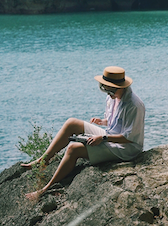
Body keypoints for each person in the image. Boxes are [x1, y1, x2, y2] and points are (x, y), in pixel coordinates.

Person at [22, 66, 145, 200]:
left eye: (109, 89)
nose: (107, 92)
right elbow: (116, 123)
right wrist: (103, 122)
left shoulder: (133, 105)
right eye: (104, 88)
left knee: (73, 148)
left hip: (126, 149)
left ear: (120, 87)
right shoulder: (112, 98)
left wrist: (102, 138)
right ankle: (43, 161)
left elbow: (130, 137)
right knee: (71, 123)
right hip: (110, 135)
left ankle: (45, 189)